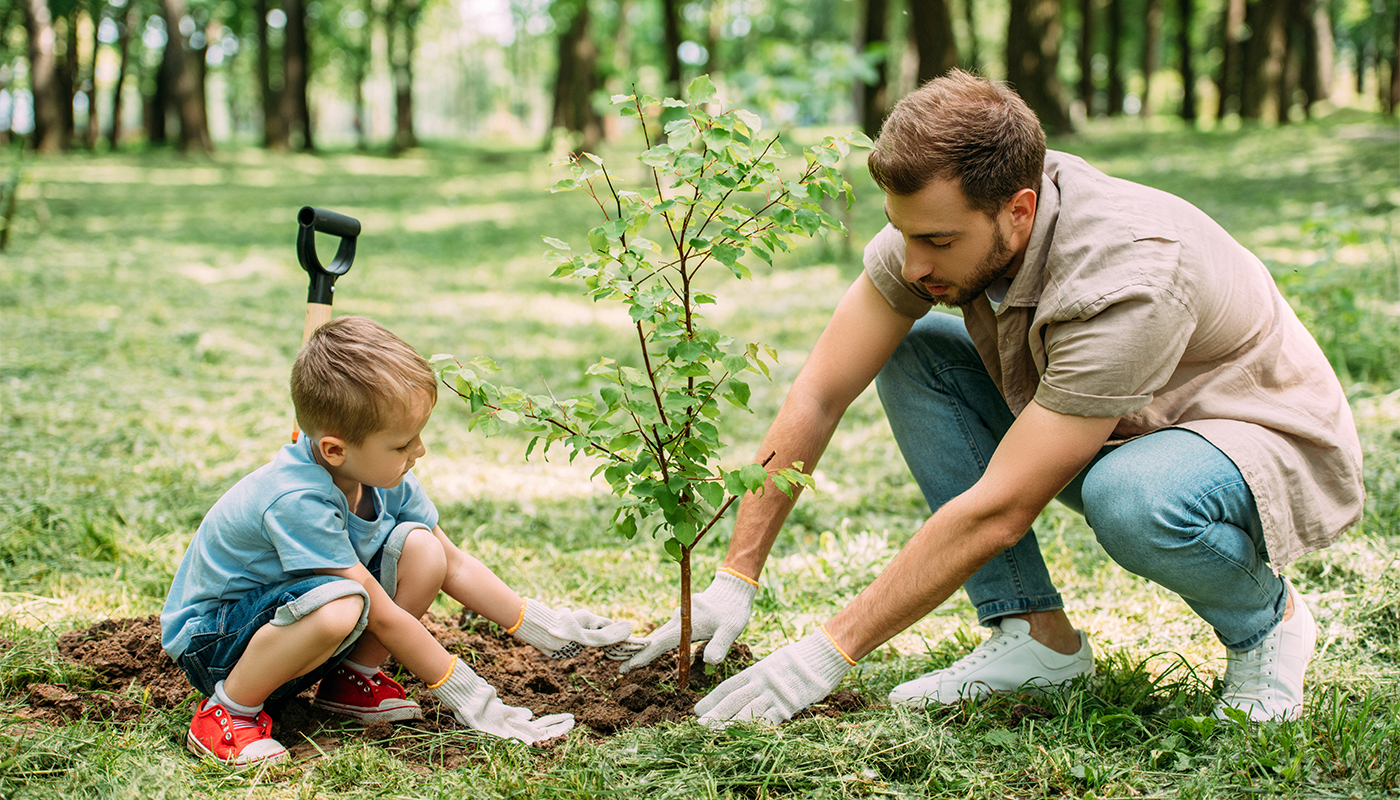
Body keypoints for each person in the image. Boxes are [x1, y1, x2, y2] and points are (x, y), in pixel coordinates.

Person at [620, 70, 1364, 726]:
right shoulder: (935, 225)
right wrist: (734, 576)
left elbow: (1003, 508)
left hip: (1251, 437)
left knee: (1130, 496)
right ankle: (1035, 640)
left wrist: (825, 652)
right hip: (1118, 417)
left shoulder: (1127, 276)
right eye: (901, 233)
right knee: (916, 355)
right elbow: (820, 390)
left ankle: (1268, 625)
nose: (914, 265)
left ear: (1018, 209)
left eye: (938, 243)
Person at [161, 316, 640, 768]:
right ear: (334, 449)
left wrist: (546, 628)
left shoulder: (381, 474)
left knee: (422, 550)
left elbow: (452, 564)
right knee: (343, 603)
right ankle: (227, 713)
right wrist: (473, 698)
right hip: (216, 643)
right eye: (402, 443)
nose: (419, 451)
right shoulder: (295, 499)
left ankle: (350, 682)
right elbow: (382, 614)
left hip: (289, 625)